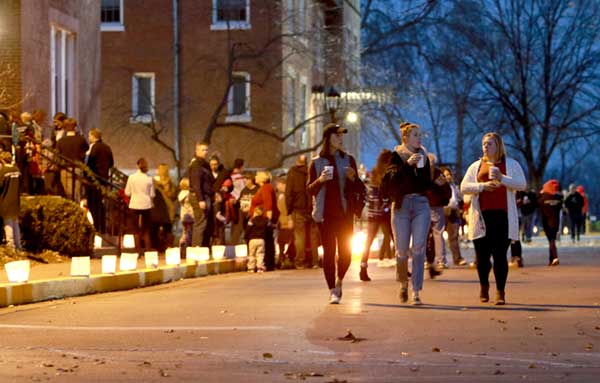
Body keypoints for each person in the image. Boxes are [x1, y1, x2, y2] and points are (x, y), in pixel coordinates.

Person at [461, 132, 526, 305]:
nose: (486, 147)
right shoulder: (476, 166)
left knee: (499, 256)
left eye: (489, 144)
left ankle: (500, 291)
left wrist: (502, 178)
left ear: (498, 146)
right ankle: (484, 286)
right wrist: (482, 186)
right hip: (481, 217)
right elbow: (464, 187)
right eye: (484, 144)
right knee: (482, 258)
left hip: (503, 216)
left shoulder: (511, 164)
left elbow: (522, 184)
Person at [307, 123, 364, 304]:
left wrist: (353, 177)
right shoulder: (316, 162)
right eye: (337, 136)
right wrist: (321, 180)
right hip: (325, 216)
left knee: (346, 253)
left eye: (342, 136)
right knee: (329, 253)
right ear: (328, 138)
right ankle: (332, 289)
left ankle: (340, 280)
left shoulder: (349, 160)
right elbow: (309, 190)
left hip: (346, 214)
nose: (341, 139)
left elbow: (360, 188)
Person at [381, 122, 435, 305]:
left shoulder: (424, 157)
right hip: (401, 205)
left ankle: (416, 290)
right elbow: (389, 182)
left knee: (418, 248)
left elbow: (426, 184)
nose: (419, 138)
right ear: (405, 138)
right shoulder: (396, 156)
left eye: (420, 135)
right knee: (402, 251)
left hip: (421, 204)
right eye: (415, 135)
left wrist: (432, 174)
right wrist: (407, 166)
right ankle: (403, 284)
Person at [359, 149, 394, 282]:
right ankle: (402, 269)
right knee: (394, 238)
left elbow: (369, 193)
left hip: (374, 212)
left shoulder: (374, 173)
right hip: (384, 211)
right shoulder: (388, 174)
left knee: (369, 241)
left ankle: (363, 267)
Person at [285, 155, 319, 269]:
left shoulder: (292, 173)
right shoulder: (312, 172)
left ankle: (300, 261)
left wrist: (288, 210)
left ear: (297, 162)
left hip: (298, 208)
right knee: (313, 236)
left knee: (299, 237)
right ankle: (315, 261)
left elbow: (288, 192)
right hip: (312, 208)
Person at [425, 153, 451, 276]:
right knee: (437, 234)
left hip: (427, 206)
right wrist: (444, 201)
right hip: (434, 206)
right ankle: (440, 260)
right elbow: (447, 190)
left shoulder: (421, 173)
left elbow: (447, 191)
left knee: (427, 234)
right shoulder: (438, 174)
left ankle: (429, 260)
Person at [124, 158, 155, 257]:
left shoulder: (132, 178)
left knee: (135, 229)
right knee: (146, 229)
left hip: (134, 204)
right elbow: (152, 194)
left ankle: (138, 252)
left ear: (137, 165)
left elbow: (127, 192)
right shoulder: (149, 178)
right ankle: (148, 251)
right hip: (146, 204)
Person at [249, 171, 279, 271]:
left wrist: (268, 220)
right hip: (261, 218)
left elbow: (268, 204)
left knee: (266, 242)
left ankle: (267, 263)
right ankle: (267, 263)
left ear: (262, 178)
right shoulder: (263, 188)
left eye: (257, 175)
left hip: (263, 219)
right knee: (266, 242)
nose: (255, 177)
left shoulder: (266, 188)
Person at [86, 128, 114, 232]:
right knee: (101, 204)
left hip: (95, 179)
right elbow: (111, 163)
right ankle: (102, 226)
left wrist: (88, 173)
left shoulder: (94, 148)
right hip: (104, 179)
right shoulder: (107, 147)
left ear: (94, 136)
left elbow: (90, 163)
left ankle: (97, 226)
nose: (88, 138)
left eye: (89, 136)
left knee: (93, 203)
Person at [188, 142, 215, 248]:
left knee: (206, 224)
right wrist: (200, 199)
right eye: (203, 150)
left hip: (206, 196)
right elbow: (196, 183)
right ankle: (197, 249)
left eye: (206, 150)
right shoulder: (196, 165)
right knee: (200, 223)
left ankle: (203, 248)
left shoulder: (204, 164)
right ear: (197, 151)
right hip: (200, 196)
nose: (205, 152)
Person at [56, 118, 89, 202]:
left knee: (67, 193)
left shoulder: (61, 141)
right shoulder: (81, 139)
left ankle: (70, 210)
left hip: (65, 168)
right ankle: (76, 209)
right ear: (75, 127)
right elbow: (86, 148)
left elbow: (57, 154)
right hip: (77, 167)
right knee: (77, 192)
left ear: (65, 128)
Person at [441, 167, 467, 266]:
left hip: (454, 211)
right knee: (438, 236)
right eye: (445, 175)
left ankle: (457, 258)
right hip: (443, 211)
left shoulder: (454, 186)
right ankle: (439, 259)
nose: (448, 177)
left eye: (449, 174)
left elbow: (460, 198)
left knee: (454, 236)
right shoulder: (441, 186)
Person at [151, 163, 176, 252]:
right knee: (167, 228)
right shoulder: (169, 182)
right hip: (166, 208)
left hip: (160, 208)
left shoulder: (155, 181)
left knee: (156, 228)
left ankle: (157, 246)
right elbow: (173, 195)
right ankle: (167, 246)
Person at [0, 151, 22, 250]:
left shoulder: (3, 172)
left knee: (8, 225)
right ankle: (19, 246)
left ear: (2, 160)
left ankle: (11, 246)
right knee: (15, 224)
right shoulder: (17, 170)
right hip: (15, 200)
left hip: (6, 201)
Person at [538, 179, 563, 266]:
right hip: (556, 221)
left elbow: (537, 203)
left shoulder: (543, 198)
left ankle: (555, 258)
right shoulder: (558, 198)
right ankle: (551, 259)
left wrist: (541, 193)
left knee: (551, 240)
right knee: (552, 240)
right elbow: (561, 205)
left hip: (546, 222)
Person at [275, 175, 295, 269]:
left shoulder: (287, 195)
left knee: (286, 241)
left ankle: (285, 258)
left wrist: (290, 219)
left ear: (283, 184)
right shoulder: (280, 195)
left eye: (278, 184)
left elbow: (289, 209)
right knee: (281, 241)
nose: (277, 186)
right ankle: (282, 257)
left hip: (286, 222)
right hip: (282, 222)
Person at [245, 205, 269, 273]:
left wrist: (246, 237)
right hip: (261, 239)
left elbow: (248, 229)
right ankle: (260, 267)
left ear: (255, 212)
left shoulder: (251, 220)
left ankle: (251, 268)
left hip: (252, 239)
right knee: (260, 254)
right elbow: (269, 228)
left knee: (251, 254)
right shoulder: (265, 220)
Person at [228, 158, 246, 244]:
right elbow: (243, 190)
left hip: (231, 201)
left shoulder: (230, 176)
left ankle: (232, 242)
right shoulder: (240, 177)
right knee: (239, 225)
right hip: (239, 202)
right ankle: (234, 243)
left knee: (233, 224)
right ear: (241, 166)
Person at [178, 177, 195, 258]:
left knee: (184, 232)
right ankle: (187, 248)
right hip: (190, 215)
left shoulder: (180, 194)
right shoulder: (189, 194)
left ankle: (181, 246)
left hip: (183, 215)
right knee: (190, 233)